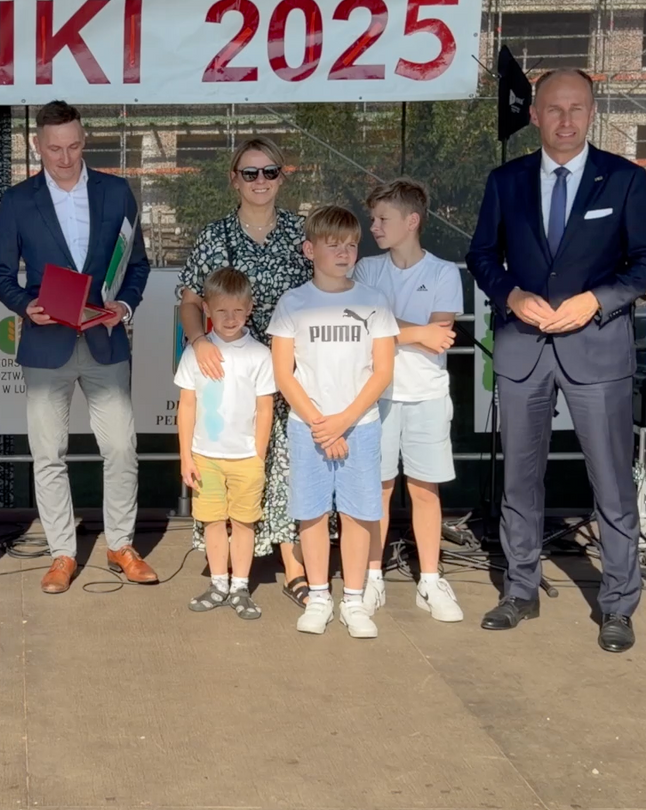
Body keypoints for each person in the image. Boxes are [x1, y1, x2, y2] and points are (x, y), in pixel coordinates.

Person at [466, 68, 646, 652]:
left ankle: (618, 605)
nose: (565, 120)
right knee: (519, 480)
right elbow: (482, 255)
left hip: (597, 349)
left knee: (612, 484)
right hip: (523, 348)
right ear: (534, 114)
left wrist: (595, 301)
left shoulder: (625, 179)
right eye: (554, 108)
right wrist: (511, 295)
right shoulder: (506, 180)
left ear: (592, 112)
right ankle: (519, 590)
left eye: (577, 108)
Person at [0, 100, 154, 594]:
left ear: (85, 141)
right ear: (36, 145)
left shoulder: (116, 191)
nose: (65, 158)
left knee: (121, 448)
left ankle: (120, 545)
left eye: (74, 146)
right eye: (54, 149)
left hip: (105, 339)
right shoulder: (17, 201)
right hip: (47, 342)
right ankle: (62, 553)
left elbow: (138, 265)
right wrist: (26, 306)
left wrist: (124, 307)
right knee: (48, 454)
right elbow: (1, 274)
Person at [177, 137, 313, 607]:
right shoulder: (214, 236)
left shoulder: (301, 234)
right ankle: (228, 575)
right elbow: (190, 301)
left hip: (292, 374)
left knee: (286, 469)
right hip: (230, 376)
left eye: (269, 171)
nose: (260, 181)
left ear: (282, 177)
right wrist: (199, 343)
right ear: (234, 179)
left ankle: (295, 567)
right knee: (230, 469)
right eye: (250, 172)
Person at [268, 206, 398, 638]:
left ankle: (355, 601)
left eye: (351, 245)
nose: (344, 252)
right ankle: (320, 596)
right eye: (334, 244)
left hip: (360, 427)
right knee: (312, 513)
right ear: (310, 250)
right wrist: (320, 424)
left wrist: (343, 421)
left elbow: (382, 371)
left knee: (359, 513)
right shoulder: (293, 303)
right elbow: (284, 374)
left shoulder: (374, 301)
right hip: (308, 429)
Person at [353, 178, 465, 623]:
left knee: (424, 489)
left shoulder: (443, 272)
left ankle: (431, 581)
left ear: (412, 221)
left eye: (383, 218)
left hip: (427, 397)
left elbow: (442, 336)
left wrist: (392, 328)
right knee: (376, 490)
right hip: (374, 398)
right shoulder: (366, 269)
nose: (374, 227)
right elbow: (365, 326)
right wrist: (417, 331)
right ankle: (372, 578)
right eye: (373, 218)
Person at [176, 268, 276, 620]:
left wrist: (258, 455)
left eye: (237, 310)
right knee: (213, 521)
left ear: (250, 308)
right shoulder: (194, 354)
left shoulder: (260, 355)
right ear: (206, 309)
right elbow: (186, 407)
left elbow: (265, 408)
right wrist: (186, 456)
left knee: (244, 522)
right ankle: (219, 583)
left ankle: (240, 586)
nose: (230, 318)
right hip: (205, 457)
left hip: (246, 458)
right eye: (221, 311)